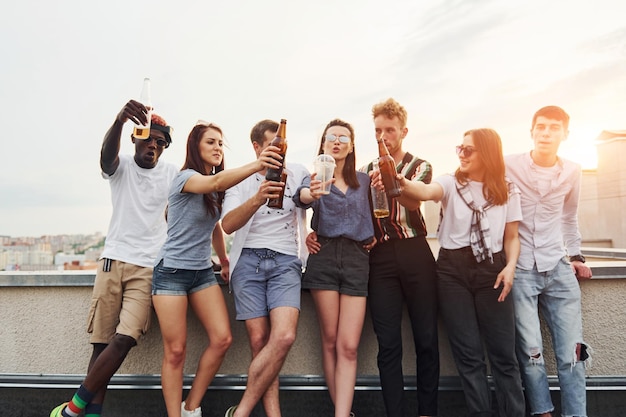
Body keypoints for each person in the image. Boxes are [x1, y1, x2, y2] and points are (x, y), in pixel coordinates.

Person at [307, 98, 439, 416]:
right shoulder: (363, 172)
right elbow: (346, 210)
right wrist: (313, 233)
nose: (383, 137)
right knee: (388, 342)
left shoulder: (419, 166)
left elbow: (413, 203)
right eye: (378, 130)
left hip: (414, 250)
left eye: (389, 130)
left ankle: (427, 412)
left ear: (403, 131)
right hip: (378, 256)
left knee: (425, 338)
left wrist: (394, 181)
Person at [50, 101, 179, 417]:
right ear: (135, 137)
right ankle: (92, 414)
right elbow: (105, 157)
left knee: (124, 339)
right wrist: (119, 120)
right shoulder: (120, 164)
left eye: (160, 143)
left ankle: (72, 409)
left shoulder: (172, 174)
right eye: (148, 139)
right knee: (101, 345)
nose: (154, 146)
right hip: (112, 262)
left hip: (148, 268)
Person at [151, 121, 282, 417]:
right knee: (175, 352)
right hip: (170, 272)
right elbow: (216, 183)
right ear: (195, 147)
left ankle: (191, 407)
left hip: (200, 273)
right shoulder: (186, 177)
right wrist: (258, 164)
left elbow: (214, 228)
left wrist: (223, 261)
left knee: (222, 338)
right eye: (210, 142)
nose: (217, 148)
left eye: (221, 143)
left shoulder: (214, 188)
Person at [396, 128, 526, 417]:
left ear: (488, 153)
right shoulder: (451, 183)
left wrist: (510, 267)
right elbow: (427, 191)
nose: (462, 154)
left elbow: (512, 237)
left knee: (504, 356)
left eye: (469, 150)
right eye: (460, 148)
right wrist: (403, 182)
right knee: (469, 357)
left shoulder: (506, 189)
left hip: (493, 270)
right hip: (452, 272)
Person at [506, 105, 593, 417]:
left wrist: (577, 256)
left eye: (554, 128)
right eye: (540, 127)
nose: (546, 133)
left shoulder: (573, 170)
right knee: (532, 354)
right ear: (531, 131)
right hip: (522, 271)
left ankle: (576, 414)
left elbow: (569, 218)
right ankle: (543, 413)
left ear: (565, 134)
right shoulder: (508, 165)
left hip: (558, 268)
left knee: (573, 353)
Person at [220, 119, 309, 417]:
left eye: (282, 147)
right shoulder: (241, 179)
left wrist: (315, 234)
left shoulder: (297, 172)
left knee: (283, 337)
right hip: (248, 262)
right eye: (272, 147)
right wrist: (258, 198)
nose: (279, 154)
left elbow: (312, 202)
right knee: (259, 343)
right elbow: (228, 224)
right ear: (257, 148)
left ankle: (241, 411)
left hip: (285, 260)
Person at [293, 119, 375, 417]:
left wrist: (376, 234)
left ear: (351, 145)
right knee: (329, 341)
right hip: (324, 256)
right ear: (323, 144)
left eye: (343, 137)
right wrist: (311, 194)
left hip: (357, 260)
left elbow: (380, 210)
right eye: (331, 138)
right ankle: (342, 413)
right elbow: (300, 199)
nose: (337, 142)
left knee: (349, 346)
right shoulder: (315, 178)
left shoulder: (364, 180)